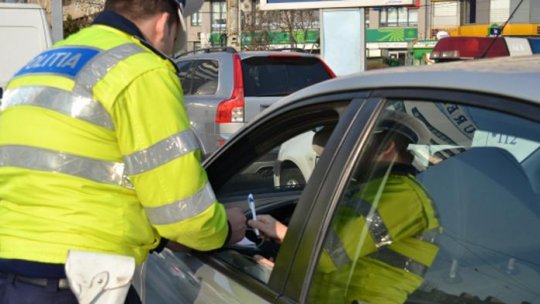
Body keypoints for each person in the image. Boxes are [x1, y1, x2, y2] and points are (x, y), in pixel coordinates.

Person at [0, 1, 246, 303]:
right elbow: (183, 213)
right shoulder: (142, 70)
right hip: (79, 282)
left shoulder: (40, 64)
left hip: (10, 274)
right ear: (164, 24)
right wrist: (225, 229)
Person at [248, 111, 440, 303]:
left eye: (353, 148)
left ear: (386, 147)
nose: (344, 156)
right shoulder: (370, 189)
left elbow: (327, 253)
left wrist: (281, 231)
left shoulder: (403, 197)